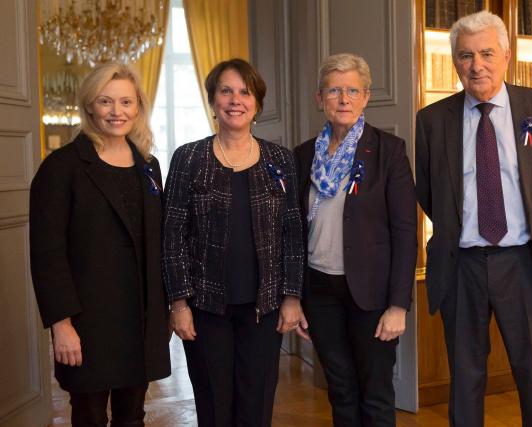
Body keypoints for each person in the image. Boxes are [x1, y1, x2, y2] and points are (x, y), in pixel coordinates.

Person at [415, 11, 532, 426]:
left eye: (486, 53)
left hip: (525, 263)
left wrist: (530, 227)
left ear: (506, 55)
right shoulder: (431, 120)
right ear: (455, 63)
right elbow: (429, 192)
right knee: (465, 378)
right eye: (465, 55)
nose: (476, 64)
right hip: (462, 265)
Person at [162, 58, 306, 427]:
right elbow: (172, 234)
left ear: (257, 102)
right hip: (206, 308)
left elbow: (293, 231)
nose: (235, 99)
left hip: (265, 306)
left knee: (256, 407)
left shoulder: (279, 159)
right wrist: (178, 303)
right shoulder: (188, 158)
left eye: (245, 92)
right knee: (214, 407)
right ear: (212, 100)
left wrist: (292, 297)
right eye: (226, 90)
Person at [30, 62, 170, 426]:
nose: (116, 111)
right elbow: (47, 253)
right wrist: (61, 325)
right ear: (89, 105)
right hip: (87, 323)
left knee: (132, 417)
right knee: (89, 416)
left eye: (126, 102)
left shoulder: (148, 166)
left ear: (138, 106)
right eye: (105, 101)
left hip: (138, 320)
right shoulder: (61, 167)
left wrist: (165, 310)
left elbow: (157, 242)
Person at [294, 53, 417, 426]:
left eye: (352, 90)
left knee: (376, 394)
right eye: (334, 90)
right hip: (320, 292)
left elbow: (405, 230)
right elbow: (292, 232)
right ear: (320, 99)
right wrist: (295, 296)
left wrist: (398, 305)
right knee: (341, 391)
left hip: (373, 296)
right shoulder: (302, 156)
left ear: (366, 97)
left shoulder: (388, 151)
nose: (343, 99)